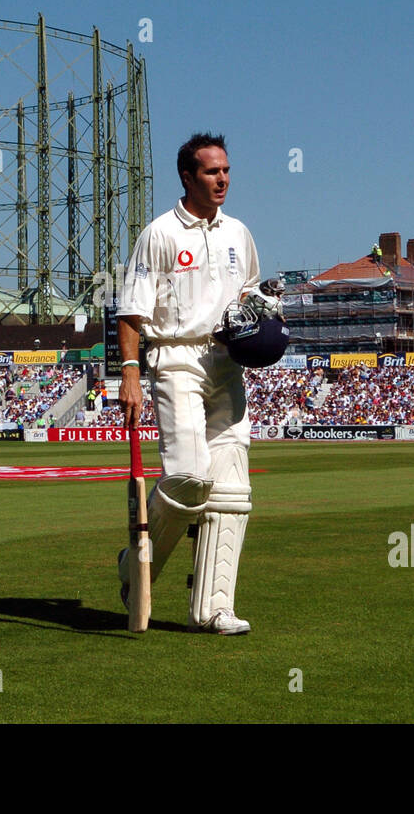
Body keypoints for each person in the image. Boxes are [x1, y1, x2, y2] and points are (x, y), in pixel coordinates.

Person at [115, 133, 275, 635]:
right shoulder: (159, 234)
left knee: (231, 491)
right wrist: (130, 373)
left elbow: (249, 295)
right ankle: (133, 566)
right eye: (211, 171)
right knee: (188, 479)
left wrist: (263, 321)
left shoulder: (239, 234)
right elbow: (131, 310)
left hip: (226, 364)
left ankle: (212, 609)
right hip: (175, 357)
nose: (222, 179)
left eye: (226, 170)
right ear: (187, 177)